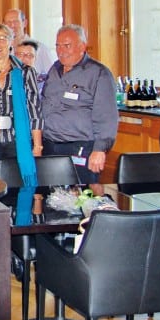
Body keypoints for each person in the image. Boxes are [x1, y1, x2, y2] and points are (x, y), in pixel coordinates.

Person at [40, 24, 118, 196]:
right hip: (51, 146)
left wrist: (99, 150)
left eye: (66, 45)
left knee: (83, 199)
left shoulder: (99, 73)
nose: (61, 50)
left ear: (82, 46)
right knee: (53, 199)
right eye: (58, 45)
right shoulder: (54, 69)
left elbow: (107, 116)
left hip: (80, 148)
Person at [0, 24, 43, 224]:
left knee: (17, 189)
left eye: (1, 38)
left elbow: (34, 109)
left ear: (11, 42)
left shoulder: (25, 72)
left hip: (17, 142)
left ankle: (19, 233)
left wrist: (37, 144)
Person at [3, 8, 57, 76]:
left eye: (16, 21)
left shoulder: (40, 49)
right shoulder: (2, 51)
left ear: (25, 23)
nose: (12, 25)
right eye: (8, 22)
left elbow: (52, 77)